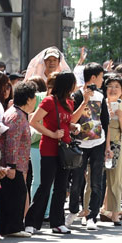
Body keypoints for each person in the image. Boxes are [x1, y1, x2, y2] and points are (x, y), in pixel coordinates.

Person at [25, 71, 86, 234]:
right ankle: (31, 222)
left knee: (61, 187)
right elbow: (34, 121)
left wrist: (74, 127)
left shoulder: (69, 102)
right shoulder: (49, 101)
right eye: (73, 83)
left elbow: (69, 121)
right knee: (45, 186)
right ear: (68, 84)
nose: (75, 86)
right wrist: (51, 134)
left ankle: (57, 222)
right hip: (49, 148)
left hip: (64, 149)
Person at [69, 63, 106, 229]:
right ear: (93, 77)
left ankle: (92, 215)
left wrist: (108, 146)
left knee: (96, 181)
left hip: (98, 143)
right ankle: (73, 211)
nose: (102, 80)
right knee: (76, 180)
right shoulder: (76, 95)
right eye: (101, 77)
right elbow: (72, 119)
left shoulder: (100, 96)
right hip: (80, 144)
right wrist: (84, 100)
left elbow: (105, 121)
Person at [0, 80, 36, 236]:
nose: (35, 101)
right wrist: (11, 166)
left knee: (15, 194)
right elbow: (12, 142)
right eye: (34, 98)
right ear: (28, 99)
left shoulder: (17, 113)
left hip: (16, 164)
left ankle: (11, 227)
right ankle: (13, 228)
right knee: (16, 195)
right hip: (13, 164)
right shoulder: (17, 116)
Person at [100, 73, 122, 224]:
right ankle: (92, 211)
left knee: (115, 180)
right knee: (93, 179)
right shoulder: (99, 103)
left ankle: (114, 213)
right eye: (110, 86)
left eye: (117, 87)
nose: (113, 89)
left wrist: (120, 116)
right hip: (97, 144)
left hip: (117, 145)